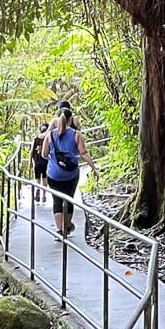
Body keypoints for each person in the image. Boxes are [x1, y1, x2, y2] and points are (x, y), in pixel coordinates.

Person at [44, 102, 98, 238]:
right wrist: (94, 168)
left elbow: (44, 154)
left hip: (53, 174)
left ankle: (59, 229)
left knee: (57, 200)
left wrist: (52, 156)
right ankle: (67, 226)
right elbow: (84, 152)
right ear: (70, 119)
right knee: (69, 198)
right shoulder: (77, 135)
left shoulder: (50, 135)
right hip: (71, 175)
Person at [30, 122, 50, 203]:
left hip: (37, 161)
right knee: (45, 179)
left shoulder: (35, 139)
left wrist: (30, 162)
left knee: (37, 178)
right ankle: (44, 195)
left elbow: (31, 151)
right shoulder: (48, 139)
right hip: (46, 161)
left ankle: (37, 190)